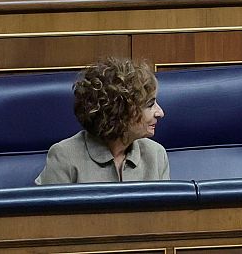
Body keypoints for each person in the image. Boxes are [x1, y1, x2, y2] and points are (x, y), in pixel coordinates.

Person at [37, 58, 168, 184]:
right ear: (120, 112)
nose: (160, 113)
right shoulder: (64, 157)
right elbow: (46, 206)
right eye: (150, 104)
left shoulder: (156, 155)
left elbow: (169, 207)